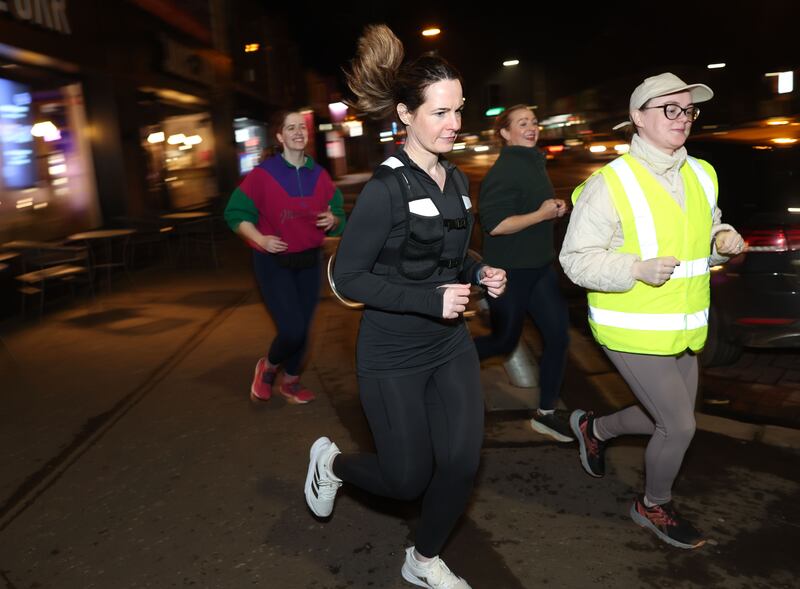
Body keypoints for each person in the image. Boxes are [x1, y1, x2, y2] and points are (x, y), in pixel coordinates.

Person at [303, 25, 506, 589]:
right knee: (407, 478)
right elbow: (347, 276)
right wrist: (429, 298)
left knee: (463, 462)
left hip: (448, 344)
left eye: (458, 111)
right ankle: (333, 465)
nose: (454, 124)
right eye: (440, 113)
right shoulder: (384, 189)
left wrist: (478, 271)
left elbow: (450, 252)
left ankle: (423, 559)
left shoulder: (457, 180)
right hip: (391, 352)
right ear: (406, 115)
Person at [560, 73, 744, 549]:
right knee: (679, 424)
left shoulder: (703, 173)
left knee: (667, 415)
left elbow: (707, 227)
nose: (682, 119)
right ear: (638, 119)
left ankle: (593, 428)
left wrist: (721, 240)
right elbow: (575, 260)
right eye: (670, 109)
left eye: (688, 110)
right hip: (631, 326)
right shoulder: (610, 184)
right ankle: (652, 505)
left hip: (684, 324)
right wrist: (636, 268)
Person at [224, 109, 345, 404]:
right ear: (280, 136)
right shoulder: (263, 175)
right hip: (272, 261)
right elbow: (234, 213)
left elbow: (338, 211)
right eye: (290, 128)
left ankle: (290, 382)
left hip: (309, 261)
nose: (298, 132)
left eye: (301, 127)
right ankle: (268, 367)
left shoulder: (319, 175)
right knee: (292, 329)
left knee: (305, 329)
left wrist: (333, 219)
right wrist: (260, 238)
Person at [473, 104, 572, 442]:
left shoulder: (533, 162)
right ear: (504, 133)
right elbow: (495, 225)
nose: (531, 127)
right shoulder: (504, 171)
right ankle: (445, 360)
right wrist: (541, 216)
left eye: (534, 121)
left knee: (559, 336)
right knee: (503, 341)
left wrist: (554, 207)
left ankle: (545, 413)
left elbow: (532, 207)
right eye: (522, 123)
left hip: (540, 269)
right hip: (510, 273)